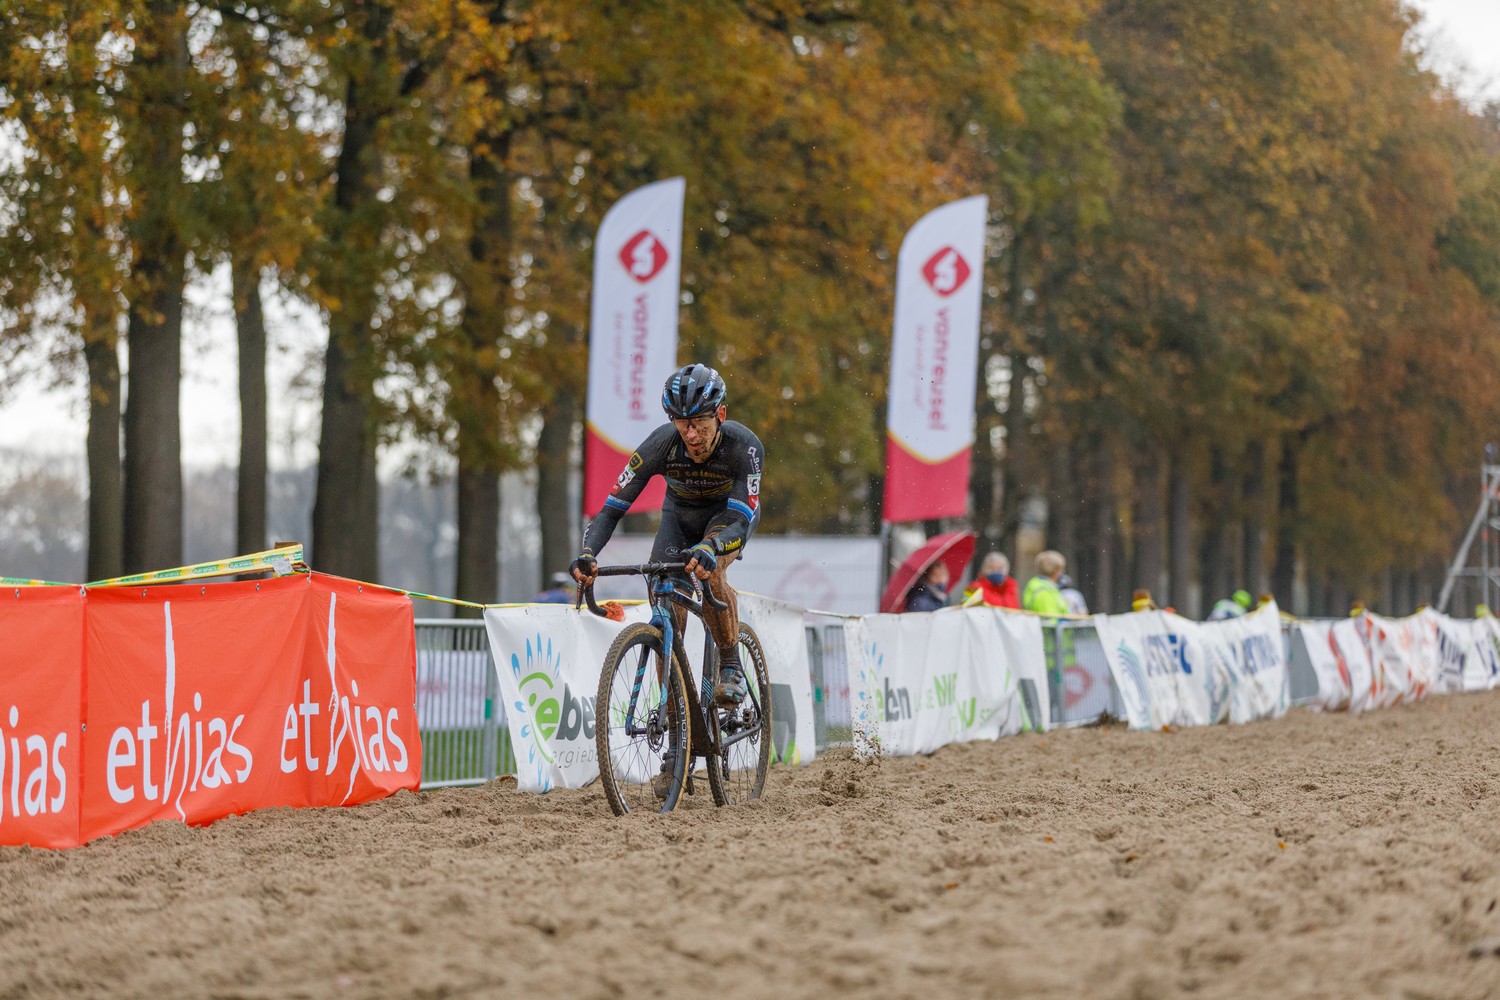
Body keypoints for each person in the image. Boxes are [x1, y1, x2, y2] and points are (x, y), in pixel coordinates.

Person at [571, 363, 763, 716]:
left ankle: (731, 664)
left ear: (720, 415)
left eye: (700, 423)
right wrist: (587, 553)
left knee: (709, 572)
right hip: (679, 518)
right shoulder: (660, 445)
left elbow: (740, 519)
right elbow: (610, 510)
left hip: (728, 517)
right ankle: (676, 729)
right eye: (682, 423)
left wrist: (712, 547)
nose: (691, 434)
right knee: (667, 611)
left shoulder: (744, 447)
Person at [1022, 550, 1071, 616]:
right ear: (1056, 571)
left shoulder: (1040, 585)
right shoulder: (1044, 591)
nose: (1063, 572)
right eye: (1061, 569)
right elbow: (1050, 619)